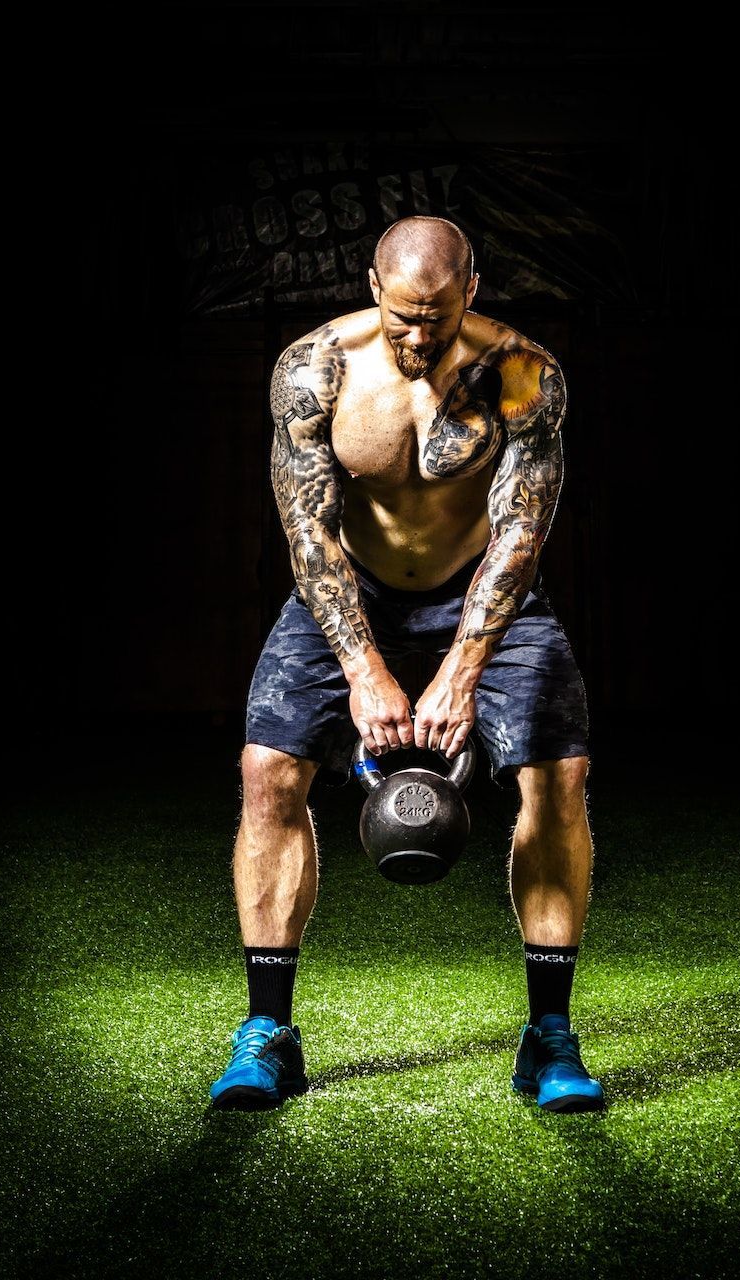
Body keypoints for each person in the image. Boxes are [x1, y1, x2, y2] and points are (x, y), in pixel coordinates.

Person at [208, 215, 603, 1113]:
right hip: (351, 592)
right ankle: (268, 1031)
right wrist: (364, 668)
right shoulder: (317, 370)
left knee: (560, 775)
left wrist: (463, 668)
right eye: (403, 317)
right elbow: (307, 534)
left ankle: (548, 1037)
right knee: (269, 773)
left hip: (482, 594)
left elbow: (520, 534)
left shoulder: (519, 375)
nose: (419, 337)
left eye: (437, 316)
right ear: (373, 288)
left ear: (472, 289)